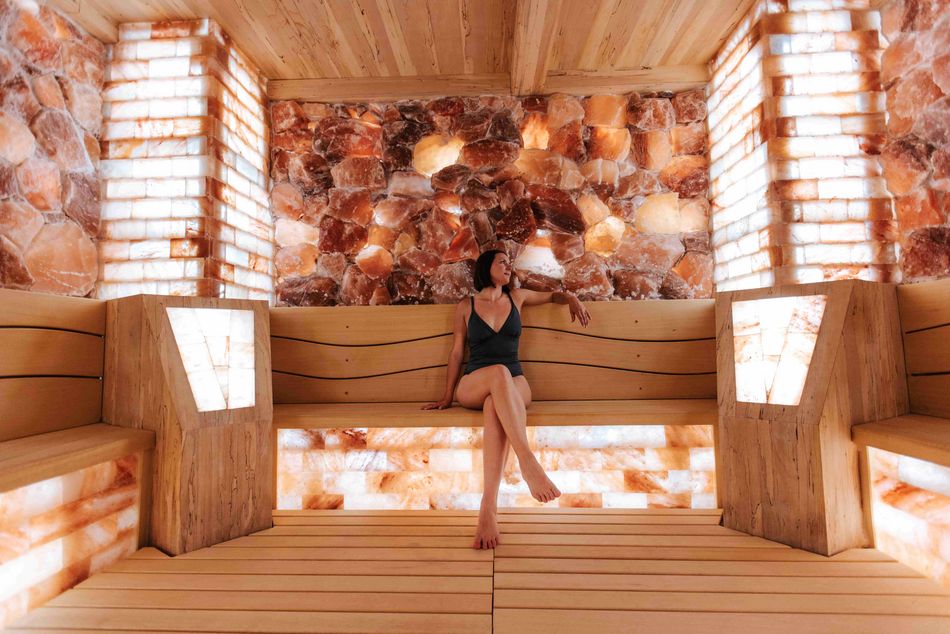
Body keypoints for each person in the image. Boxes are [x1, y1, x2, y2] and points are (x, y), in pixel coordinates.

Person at [422, 249, 592, 549]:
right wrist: (447, 396)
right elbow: (457, 352)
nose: (507, 266)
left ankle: (488, 509)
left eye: (508, 263)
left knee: (495, 404)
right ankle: (527, 462)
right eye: (502, 262)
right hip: (476, 381)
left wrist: (571, 297)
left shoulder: (518, 297)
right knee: (497, 373)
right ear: (487, 267)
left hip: (516, 383)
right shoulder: (466, 306)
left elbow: (554, 296)